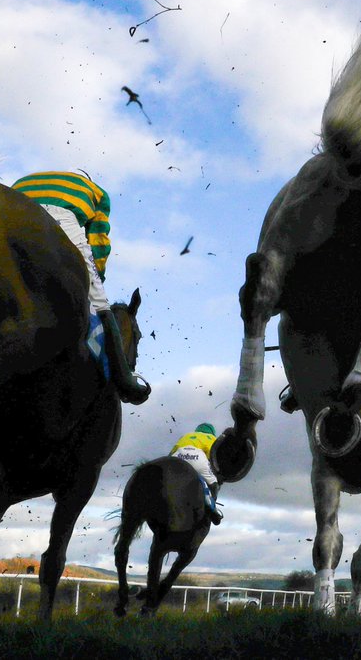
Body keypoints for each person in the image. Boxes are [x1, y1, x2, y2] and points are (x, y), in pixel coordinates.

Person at [12, 171, 149, 404]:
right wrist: (97, 277)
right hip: (61, 218)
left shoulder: (26, 180)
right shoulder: (96, 193)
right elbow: (99, 242)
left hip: (12, 214)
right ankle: (125, 378)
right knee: (100, 301)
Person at [170, 423, 223, 525]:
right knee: (214, 483)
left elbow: (169, 455)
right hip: (197, 457)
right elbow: (214, 457)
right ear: (212, 432)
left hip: (178, 456)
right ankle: (212, 509)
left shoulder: (186, 436)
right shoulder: (212, 438)